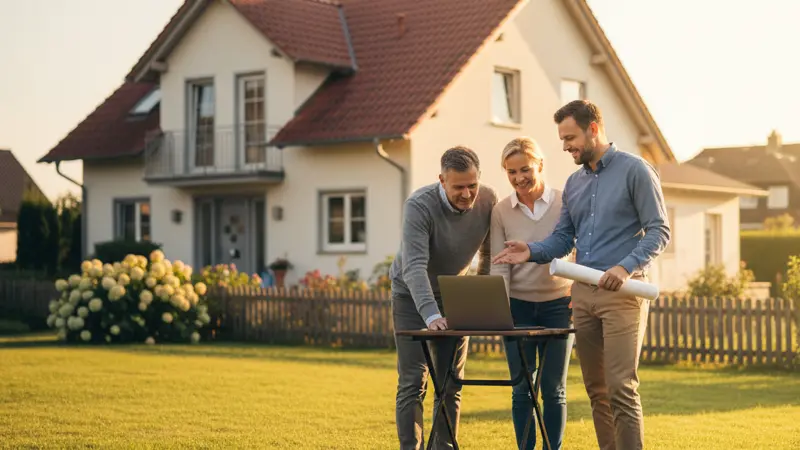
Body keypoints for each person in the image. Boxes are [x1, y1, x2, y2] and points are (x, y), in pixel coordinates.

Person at [492, 100, 670, 450]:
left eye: (570, 137)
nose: (565, 146)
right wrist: (532, 252)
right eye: (561, 139)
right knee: (597, 391)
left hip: (623, 292)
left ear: (593, 129)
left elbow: (659, 230)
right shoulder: (574, 183)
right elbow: (562, 238)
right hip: (584, 295)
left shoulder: (636, 170)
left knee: (621, 387)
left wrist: (625, 266)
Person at [390, 145, 498, 450]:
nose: (467, 194)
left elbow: (488, 253)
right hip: (411, 296)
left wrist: (477, 299)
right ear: (441, 180)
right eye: (458, 187)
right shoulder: (419, 206)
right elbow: (414, 267)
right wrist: (431, 315)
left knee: (451, 382)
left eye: (472, 185)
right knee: (414, 380)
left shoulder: (488, 199)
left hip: (454, 293)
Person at [490, 136, 574, 450]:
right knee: (521, 388)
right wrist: (501, 309)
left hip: (559, 305)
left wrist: (578, 291)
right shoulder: (501, 211)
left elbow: (579, 252)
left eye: (525, 168)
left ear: (540, 164)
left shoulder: (566, 201)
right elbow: (498, 264)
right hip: (518, 309)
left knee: (554, 389)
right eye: (511, 172)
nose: (519, 178)